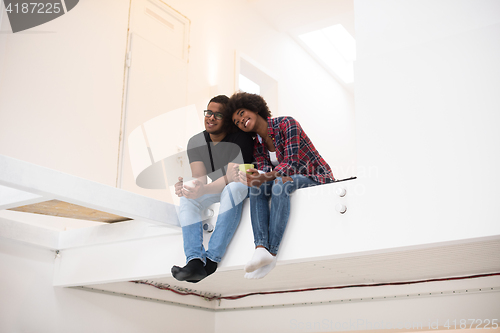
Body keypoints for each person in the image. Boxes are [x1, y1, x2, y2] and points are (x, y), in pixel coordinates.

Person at [229, 92, 335, 279]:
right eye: (237, 122)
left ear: (254, 108)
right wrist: (255, 177)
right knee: (257, 187)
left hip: (314, 175)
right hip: (286, 177)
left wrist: (264, 176)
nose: (241, 121)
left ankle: (272, 254)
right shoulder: (258, 145)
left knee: (280, 184)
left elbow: (291, 164)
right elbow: (263, 172)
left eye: (242, 113)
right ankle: (260, 248)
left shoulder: (287, 123)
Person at [171, 95, 254, 283]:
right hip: (218, 188)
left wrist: (204, 189)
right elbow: (200, 179)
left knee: (233, 188)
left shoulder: (241, 138)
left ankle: (211, 260)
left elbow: (232, 176)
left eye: (218, 115)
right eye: (209, 112)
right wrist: (189, 188)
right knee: (187, 197)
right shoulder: (196, 141)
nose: (211, 118)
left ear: (228, 120)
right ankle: (194, 260)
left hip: (244, 185)